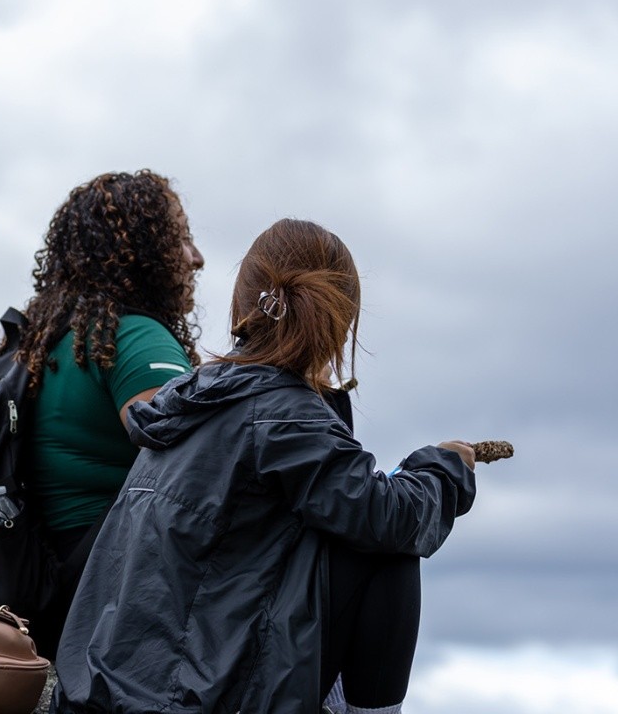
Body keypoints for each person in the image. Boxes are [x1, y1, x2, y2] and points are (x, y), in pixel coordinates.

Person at [50, 218, 477, 714]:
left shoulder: (193, 401)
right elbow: (390, 517)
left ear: (241, 305)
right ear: (340, 321)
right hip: (191, 699)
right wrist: (445, 468)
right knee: (389, 545)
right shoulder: (280, 413)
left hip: (103, 687)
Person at [0, 169, 204, 659]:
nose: (197, 259)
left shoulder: (51, 346)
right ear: (144, 250)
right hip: (118, 601)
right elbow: (201, 469)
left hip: (52, 599)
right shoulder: (133, 338)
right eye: (183, 239)